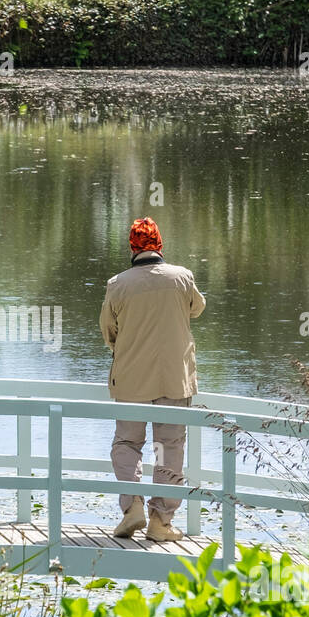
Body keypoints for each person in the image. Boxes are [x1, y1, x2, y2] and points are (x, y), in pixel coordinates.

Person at [99, 218, 205, 542]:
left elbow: (108, 333)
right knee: (168, 447)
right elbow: (197, 309)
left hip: (131, 380)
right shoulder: (182, 277)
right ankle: (161, 522)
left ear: (132, 247)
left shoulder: (117, 284)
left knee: (127, 443)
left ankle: (132, 507)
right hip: (173, 379)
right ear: (159, 245)